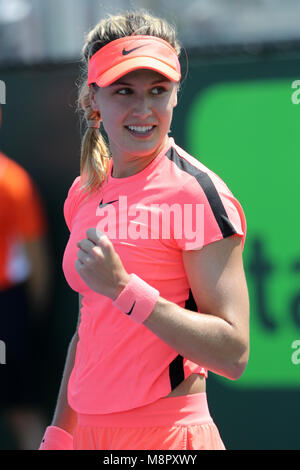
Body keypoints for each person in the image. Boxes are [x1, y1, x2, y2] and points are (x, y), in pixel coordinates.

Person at [39, 10, 249, 451]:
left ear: (175, 95)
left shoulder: (196, 194)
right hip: (88, 436)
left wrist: (124, 290)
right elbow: (90, 328)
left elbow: (233, 352)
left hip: (168, 440)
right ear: (92, 101)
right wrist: (59, 436)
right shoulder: (83, 192)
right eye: (123, 91)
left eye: (158, 91)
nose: (143, 109)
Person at [0, 107, 53, 449]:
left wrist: (26, 317)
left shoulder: (12, 182)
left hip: (8, 310)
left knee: (23, 412)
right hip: (11, 312)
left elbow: (36, 262)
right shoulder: (12, 179)